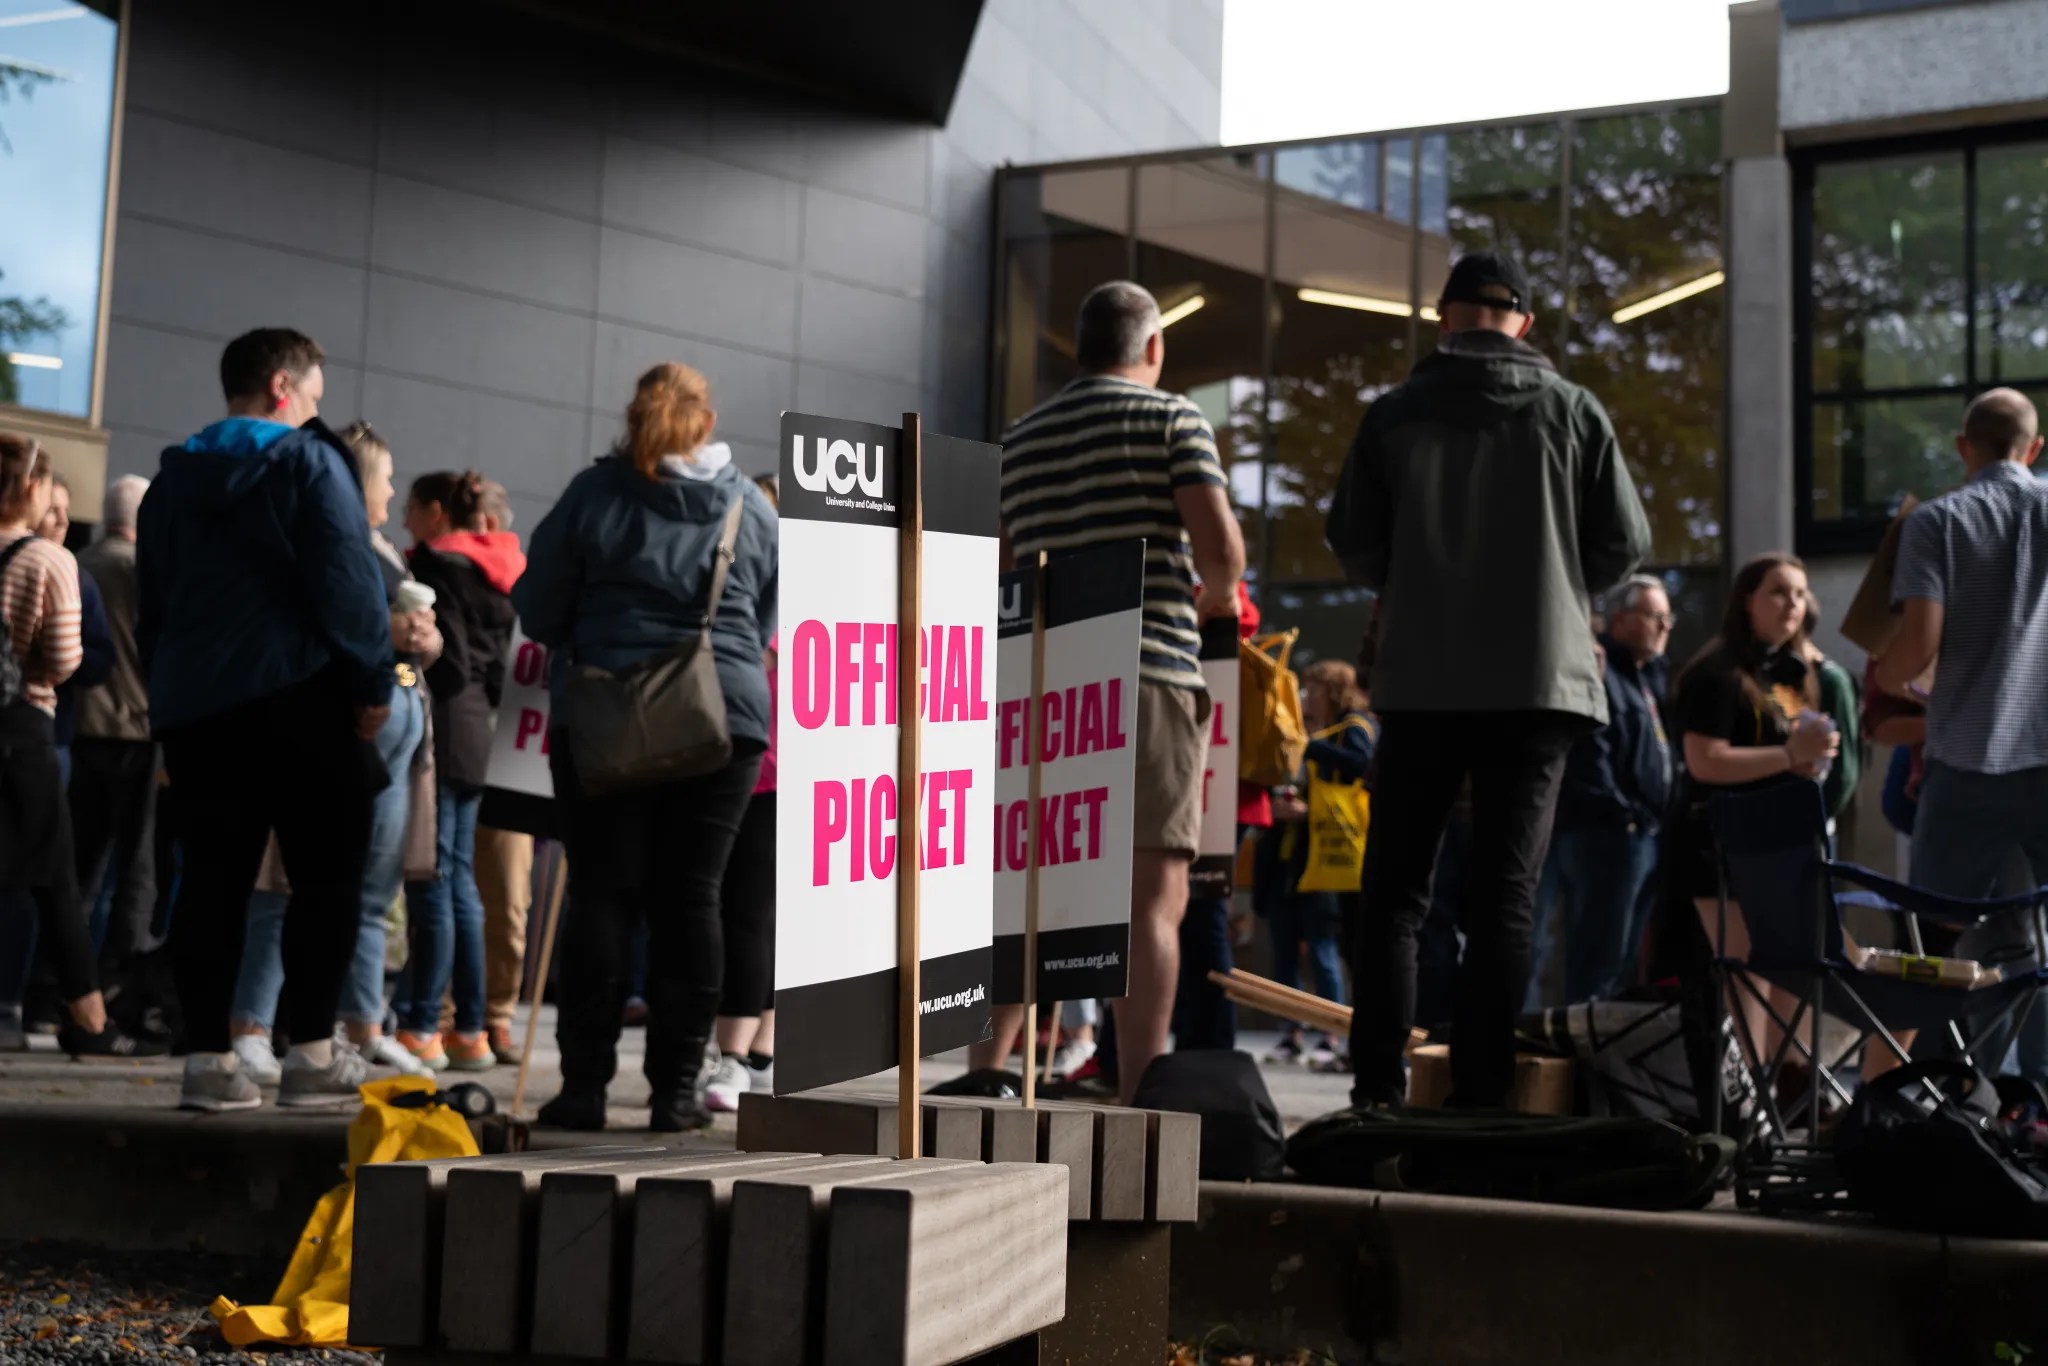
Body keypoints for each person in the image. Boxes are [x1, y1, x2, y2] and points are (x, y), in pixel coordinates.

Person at [1325, 250, 1652, 1108]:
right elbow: (1624, 546)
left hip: (1421, 677)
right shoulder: (1574, 412)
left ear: (1444, 320)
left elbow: (1355, 543)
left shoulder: (1393, 415)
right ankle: (1479, 1097)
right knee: (1506, 896)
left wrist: (1421, 569)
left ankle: (1374, 1091)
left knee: (1396, 893)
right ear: (1525, 324)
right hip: (1537, 686)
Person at [990, 280, 1246, 1104]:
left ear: (1079, 348)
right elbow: (1220, 550)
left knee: (1035, 889)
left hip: (1043, 681)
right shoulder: (1172, 419)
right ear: (1155, 349)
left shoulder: (1022, 437)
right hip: (1144, 673)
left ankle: (989, 1072)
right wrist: (1213, 598)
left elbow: (1004, 563)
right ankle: (1138, 1094)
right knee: (1151, 901)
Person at [138, 328, 395, 1112]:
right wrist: (373, 680)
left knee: (210, 883)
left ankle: (210, 1062)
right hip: (303, 697)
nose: (316, 408)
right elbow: (349, 581)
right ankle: (312, 1055)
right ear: (283, 386)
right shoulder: (311, 463)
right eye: (313, 395)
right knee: (329, 878)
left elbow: (155, 606)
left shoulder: (171, 479)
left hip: (200, 711)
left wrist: (171, 698)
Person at [515, 362, 777, 1132]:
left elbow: (538, 608)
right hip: (722, 717)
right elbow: (764, 620)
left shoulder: (593, 495)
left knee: (603, 891)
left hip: (604, 714)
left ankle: (585, 1089)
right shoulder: (750, 508)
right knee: (693, 898)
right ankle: (674, 1093)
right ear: (705, 422)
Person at [226, 423, 439, 1081]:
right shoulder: (322, 540)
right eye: (385, 477)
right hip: (342, 729)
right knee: (288, 887)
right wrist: (391, 634)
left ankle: (361, 1027)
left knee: (369, 894)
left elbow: (401, 646)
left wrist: (423, 645)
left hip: (395, 738)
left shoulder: (384, 551)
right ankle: (252, 1026)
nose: (393, 488)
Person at [1879, 388, 2048, 1074]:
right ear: (2034, 450)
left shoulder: (1939, 523)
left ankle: (1942, 1094)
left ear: (1963, 447)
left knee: (1931, 944)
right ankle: (2037, 1103)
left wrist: (1891, 676)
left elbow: (1917, 647)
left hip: (1967, 761)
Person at [0, 436, 146, 1057]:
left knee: (49, 872)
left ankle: (83, 1013)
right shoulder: (51, 562)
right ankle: (87, 1019)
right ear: (32, 490)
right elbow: (62, 660)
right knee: (55, 877)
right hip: (23, 730)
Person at [1668, 554, 1839, 1069]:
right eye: (1779, 592)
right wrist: (1791, 756)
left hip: (1779, 846)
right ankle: (1747, 1105)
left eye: (1800, 593)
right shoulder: (1717, 673)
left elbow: (1793, 755)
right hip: (1717, 847)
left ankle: (1789, 1091)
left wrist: (1808, 763)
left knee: (1791, 970)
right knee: (1746, 973)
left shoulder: (1788, 676)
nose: (1794, 604)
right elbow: (1705, 761)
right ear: (1747, 599)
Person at [392, 471, 524, 1072]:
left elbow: (450, 662)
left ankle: (422, 1024)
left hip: (446, 729)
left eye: (411, 508)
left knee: (435, 877)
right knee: (462, 880)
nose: (403, 521)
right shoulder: (508, 572)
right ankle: (469, 1029)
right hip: (485, 736)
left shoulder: (437, 570)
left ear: (437, 512)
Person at [1527, 575, 1675, 1009]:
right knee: (1597, 956)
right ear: (1620, 618)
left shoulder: (1649, 678)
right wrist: (1622, 814)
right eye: (1653, 616)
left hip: (1645, 833)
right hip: (1608, 833)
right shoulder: (1601, 669)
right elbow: (1590, 751)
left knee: (1623, 959)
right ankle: (1580, 1063)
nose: (1664, 626)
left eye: (1668, 617)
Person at [69, 476, 161, 1015]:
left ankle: (60, 984)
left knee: (78, 867)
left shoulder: (80, 564)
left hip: (85, 727)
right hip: (139, 732)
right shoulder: (146, 572)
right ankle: (116, 983)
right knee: (136, 868)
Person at [705, 472, 780, 1113]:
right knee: (755, 917)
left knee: (748, 916)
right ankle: (752, 1055)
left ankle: (737, 1056)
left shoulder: (773, 595)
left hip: (764, 773)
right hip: (756, 769)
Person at [1260, 659, 1376, 1063]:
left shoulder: (1352, 730)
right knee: (1286, 949)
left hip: (1329, 860)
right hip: (1291, 861)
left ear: (1334, 691)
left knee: (1326, 950)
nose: (1307, 698)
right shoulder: (1314, 735)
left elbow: (1364, 768)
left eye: (1314, 690)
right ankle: (1291, 1033)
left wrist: (1309, 747)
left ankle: (1333, 1034)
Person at [467, 476, 535, 1066]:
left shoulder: (528, 589)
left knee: (508, 899)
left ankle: (495, 1016)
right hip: (472, 751)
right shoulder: (434, 573)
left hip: (509, 754)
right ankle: (458, 1016)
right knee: (465, 896)